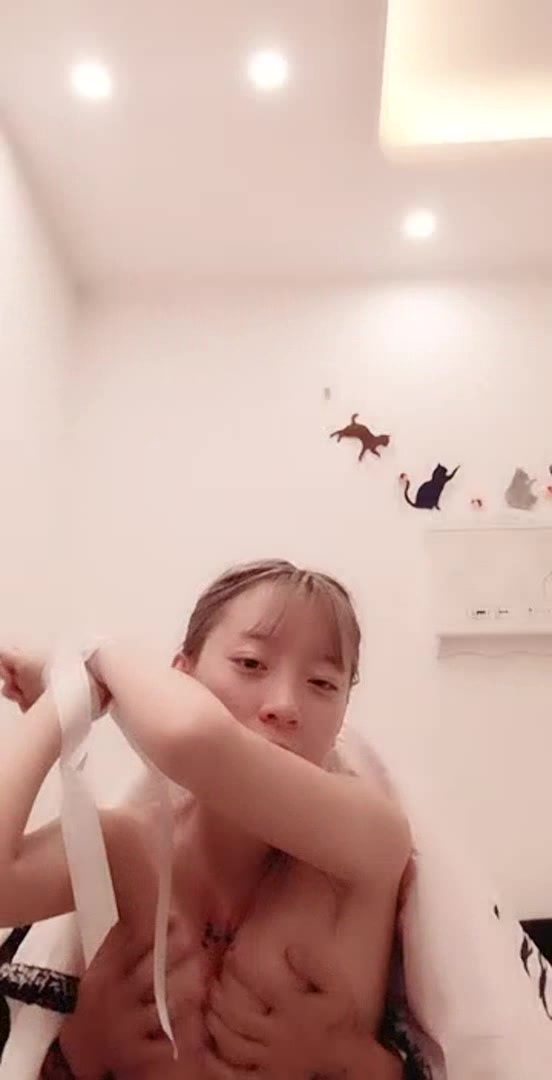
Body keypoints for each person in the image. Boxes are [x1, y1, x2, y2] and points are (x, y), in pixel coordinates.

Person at [0, 560, 411, 1078]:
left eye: (323, 684)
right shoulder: (125, 849)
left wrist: (93, 657)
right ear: (181, 679)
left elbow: (191, 737)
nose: (285, 705)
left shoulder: (370, 842)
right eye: (251, 663)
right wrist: (67, 699)